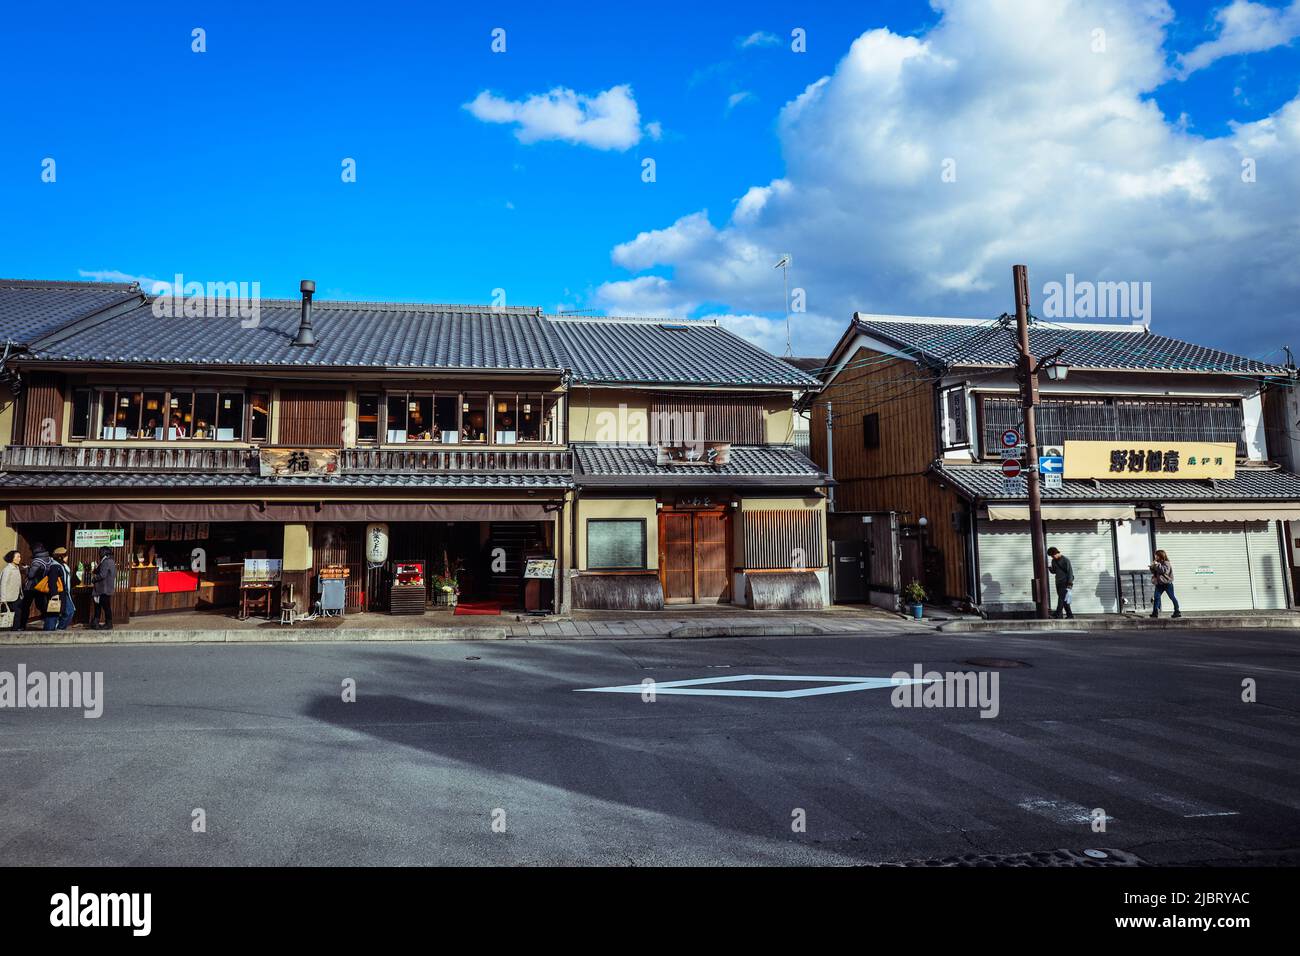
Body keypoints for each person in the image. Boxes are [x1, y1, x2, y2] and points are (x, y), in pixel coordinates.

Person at [25, 542, 57, 629]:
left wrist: (27, 569)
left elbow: (31, 575)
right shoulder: (49, 559)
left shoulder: (36, 561)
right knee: (43, 606)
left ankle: (21, 625)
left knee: (25, 606)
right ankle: (49, 624)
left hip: (33, 586)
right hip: (43, 586)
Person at [1149, 549, 1181, 619]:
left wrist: (1157, 565)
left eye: (1156, 555)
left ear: (1161, 556)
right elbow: (1155, 572)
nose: (1155, 557)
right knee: (1156, 597)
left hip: (1167, 583)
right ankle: (1155, 612)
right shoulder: (1157, 563)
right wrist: (1152, 567)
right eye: (1155, 555)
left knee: (1172, 597)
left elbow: (1164, 571)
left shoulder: (1166, 563)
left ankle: (1177, 611)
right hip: (1159, 584)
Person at [90, 546, 116, 630]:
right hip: (107, 588)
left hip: (103, 588)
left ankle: (108, 624)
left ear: (104, 552)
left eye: (100, 552)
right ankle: (96, 622)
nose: (99, 553)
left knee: (104, 606)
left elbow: (102, 575)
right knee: (100, 606)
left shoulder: (105, 562)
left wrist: (94, 579)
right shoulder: (111, 561)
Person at [51, 547, 75, 630]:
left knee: (69, 611)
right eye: (65, 555)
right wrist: (54, 594)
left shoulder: (63, 566)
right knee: (65, 612)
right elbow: (52, 581)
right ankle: (58, 628)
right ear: (60, 557)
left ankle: (60, 628)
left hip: (65, 593)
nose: (67, 557)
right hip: (59, 593)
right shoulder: (55, 566)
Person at [1046, 546, 1074, 619]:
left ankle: (1057, 614)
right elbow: (1054, 571)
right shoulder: (1053, 561)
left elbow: (1070, 572)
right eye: (1051, 556)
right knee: (1064, 600)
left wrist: (1070, 584)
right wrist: (1049, 568)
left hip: (1065, 583)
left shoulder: (1065, 560)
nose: (1053, 557)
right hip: (1058, 582)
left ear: (1057, 553)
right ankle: (1070, 615)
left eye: (1053, 555)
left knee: (1061, 599)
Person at [1, 549, 24, 630]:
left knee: (17, 613)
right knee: (16, 613)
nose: (19, 558)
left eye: (20, 557)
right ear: (12, 558)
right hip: (9, 597)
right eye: (17, 557)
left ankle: (14, 629)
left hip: (17, 596)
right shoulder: (8, 569)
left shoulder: (16, 568)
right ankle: (14, 630)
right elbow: (3, 584)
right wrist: (3, 599)